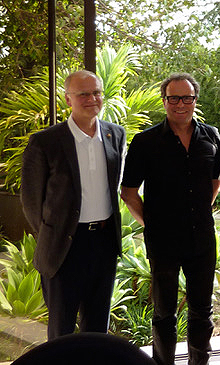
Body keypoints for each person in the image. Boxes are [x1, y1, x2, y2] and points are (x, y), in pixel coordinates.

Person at [120, 73, 220, 365]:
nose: (181, 104)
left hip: (202, 238)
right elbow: (128, 192)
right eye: (174, 98)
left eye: (187, 98)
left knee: (202, 311)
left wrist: (200, 210)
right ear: (164, 101)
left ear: (195, 100)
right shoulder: (145, 142)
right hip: (163, 241)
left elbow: (215, 181)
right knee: (165, 313)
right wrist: (151, 225)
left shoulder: (212, 136)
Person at [21, 70, 126, 340]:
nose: (92, 99)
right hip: (64, 246)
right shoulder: (46, 141)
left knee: (96, 327)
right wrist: (53, 232)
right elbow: (32, 201)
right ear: (68, 99)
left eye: (97, 92)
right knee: (62, 329)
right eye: (83, 94)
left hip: (103, 243)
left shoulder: (116, 134)